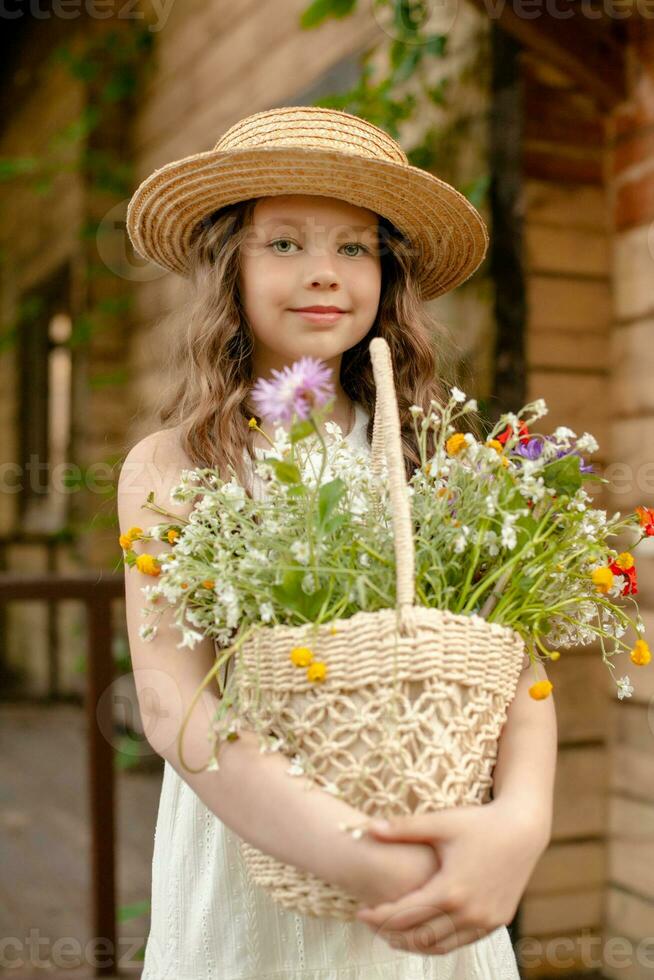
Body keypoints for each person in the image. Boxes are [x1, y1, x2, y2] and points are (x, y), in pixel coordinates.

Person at [118, 106, 557, 979]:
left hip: (436, 831)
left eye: (354, 248)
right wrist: (360, 858)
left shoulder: (438, 452)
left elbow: (518, 659)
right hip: (261, 853)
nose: (324, 274)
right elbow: (175, 704)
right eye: (283, 244)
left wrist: (521, 823)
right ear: (225, 268)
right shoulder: (172, 465)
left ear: (386, 276)